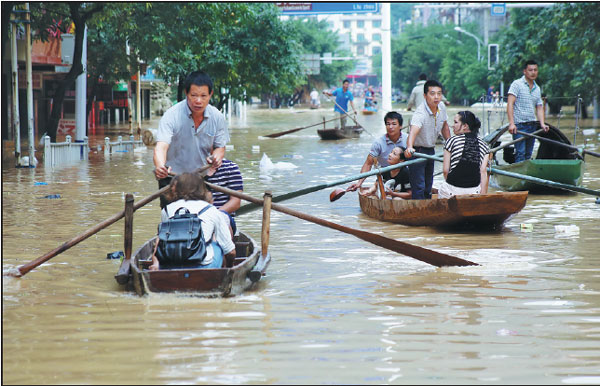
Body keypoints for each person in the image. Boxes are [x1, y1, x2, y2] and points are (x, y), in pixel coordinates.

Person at [153, 70, 229, 208]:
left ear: (211, 94)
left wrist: (217, 157)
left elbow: (220, 147)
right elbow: (161, 147)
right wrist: (160, 166)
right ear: (187, 94)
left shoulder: (217, 117)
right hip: (172, 178)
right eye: (194, 95)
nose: (198, 101)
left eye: (203, 96)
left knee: (202, 220)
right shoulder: (172, 115)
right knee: (171, 220)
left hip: (200, 178)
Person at [149, 172, 236, 271]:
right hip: (204, 266)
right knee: (219, 245)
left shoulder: (167, 210)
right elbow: (230, 252)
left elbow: (161, 240)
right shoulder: (211, 210)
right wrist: (229, 267)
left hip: (170, 264)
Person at [404, 79, 451, 200]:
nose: (436, 97)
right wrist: (409, 147)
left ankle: (427, 208)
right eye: (432, 93)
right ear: (425, 96)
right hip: (417, 151)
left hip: (431, 150)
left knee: (428, 184)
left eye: (439, 93)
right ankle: (418, 211)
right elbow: (413, 132)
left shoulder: (441, 106)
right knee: (419, 185)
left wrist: (451, 143)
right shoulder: (420, 113)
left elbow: (445, 126)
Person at [347, 111, 407, 192]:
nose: (390, 127)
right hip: (385, 177)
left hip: (406, 176)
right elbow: (368, 163)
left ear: (400, 126)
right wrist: (359, 183)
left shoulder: (408, 139)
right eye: (388, 124)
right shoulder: (378, 143)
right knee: (376, 189)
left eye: (394, 124)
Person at [438, 111, 490, 199]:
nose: (452, 125)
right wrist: (482, 198)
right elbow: (483, 172)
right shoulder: (485, 146)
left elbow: (445, 171)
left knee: (442, 189)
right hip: (474, 192)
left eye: (455, 122)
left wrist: (454, 187)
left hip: (451, 192)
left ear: (465, 126)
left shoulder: (451, 141)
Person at [506, 59, 550, 163]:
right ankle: (519, 178)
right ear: (525, 71)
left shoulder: (537, 88)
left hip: (532, 125)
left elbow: (539, 107)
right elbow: (510, 104)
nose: (533, 72)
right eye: (530, 70)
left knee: (528, 154)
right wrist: (511, 124)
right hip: (519, 125)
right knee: (520, 153)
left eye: (535, 70)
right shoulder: (517, 84)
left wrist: (542, 124)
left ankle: (526, 177)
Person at [204, 158, 243, 235]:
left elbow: (236, 202)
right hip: (197, 216)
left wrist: (214, 216)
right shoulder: (190, 167)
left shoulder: (230, 167)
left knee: (223, 221)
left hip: (222, 215)